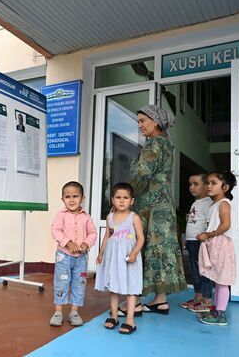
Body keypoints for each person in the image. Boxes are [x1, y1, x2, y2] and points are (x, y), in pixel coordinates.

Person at [126, 104, 187, 315]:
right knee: (159, 250)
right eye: (138, 122)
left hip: (150, 207)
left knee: (141, 249)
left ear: (156, 122)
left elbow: (142, 174)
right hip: (164, 206)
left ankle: (136, 302)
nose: (140, 125)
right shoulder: (167, 145)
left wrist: (123, 196)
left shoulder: (153, 145)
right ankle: (160, 300)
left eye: (143, 121)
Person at [95, 183, 144, 335]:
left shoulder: (133, 217)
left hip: (129, 257)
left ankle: (130, 320)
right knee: (114, 288)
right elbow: (107, 236)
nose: (122, 201)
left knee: (130, 289)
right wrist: (101, 252)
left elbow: (141, 238)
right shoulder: (110, 217)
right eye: (118, 197)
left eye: (125, 198)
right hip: (113, 257)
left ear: (132, 201)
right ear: (112, 200)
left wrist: (134, 253)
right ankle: (114, 316)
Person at [50, 181, 97, 327]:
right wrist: (68, 243)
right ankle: (58, 312)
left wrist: (86, 244)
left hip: (81, 258)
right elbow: (55, 230)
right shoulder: (61, 215)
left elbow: (93, 233)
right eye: (67, 196)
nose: (71, 200)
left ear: (82, 198)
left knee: (79, 282)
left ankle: (74, 312)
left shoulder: (86, 217)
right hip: (64, 256)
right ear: (62, 199)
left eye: (75, 196)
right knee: (62, 281)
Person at [197, 171, 237, 326]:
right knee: (217, 279)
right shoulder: (213, 204)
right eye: (207, 182)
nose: (208, 186)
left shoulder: (224, 203)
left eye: (213, 183)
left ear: (225, 187)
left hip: (221, 245)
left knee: (222, 281)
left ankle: (220, 314)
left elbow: (226, 225)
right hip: (213, 243)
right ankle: (217, 309)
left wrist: (208, 234)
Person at [179, 174, 213, 313]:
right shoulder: (196, 203)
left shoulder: (207, 203)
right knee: (194, 271)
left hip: (201, 243)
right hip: (192, 242)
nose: (191, 187)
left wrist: (206, 239)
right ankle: (197, 298)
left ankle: (207, 302)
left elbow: (209, 224)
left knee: (203, 272)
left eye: (195, 184)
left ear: (206, 186)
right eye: (190, 184)